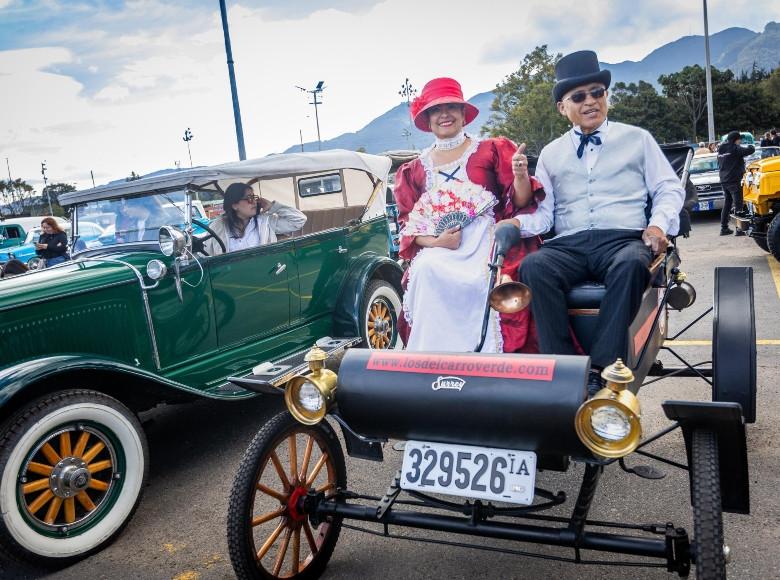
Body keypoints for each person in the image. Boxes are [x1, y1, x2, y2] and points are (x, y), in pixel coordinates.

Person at [518, 50, 685, 393]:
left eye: (597, 92)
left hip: (622, 239)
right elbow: (545, 214)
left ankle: (600, 370)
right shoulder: (550, 154)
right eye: (578, 96)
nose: (590, 101)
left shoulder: (637, 138)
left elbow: (668, 187)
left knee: (631, 265)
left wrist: (657, 224)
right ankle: (562, 371)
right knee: (534, 267)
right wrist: (515, 225)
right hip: (569, 244)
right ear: (562, 108)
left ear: (607, 97)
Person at [395, 77, 549, 353]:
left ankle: (484, 355)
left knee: (484, 279)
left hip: (487, 240)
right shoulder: (414, 170)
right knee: (426, 270)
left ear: (464, 114)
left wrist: (520, 175)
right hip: (442, 243)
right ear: (427, 119)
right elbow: (410, 224)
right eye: (436, 110)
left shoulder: (492, 150)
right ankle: (434, 359)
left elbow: (521, 202)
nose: (445, 115)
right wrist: (437, 242)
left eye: (452, 107)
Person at [203, 182, 306, 255]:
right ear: (234, 205)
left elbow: (299, 220)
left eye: (254, 198)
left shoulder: (265, 221)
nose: (254, 202)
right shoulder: (218, 225)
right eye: (249, 198)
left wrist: (272, 207)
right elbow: (204, 253)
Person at [717, 130, 755, 236]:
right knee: (738, 204)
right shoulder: (735, 148)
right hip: (734, 180)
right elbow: (750, 150)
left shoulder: (721, 148)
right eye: (739, 139)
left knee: (727, 203)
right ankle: (740, 229)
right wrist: (751, 145)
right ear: (735, 140)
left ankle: (724, 228)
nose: (740, 141)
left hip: (724, 179)